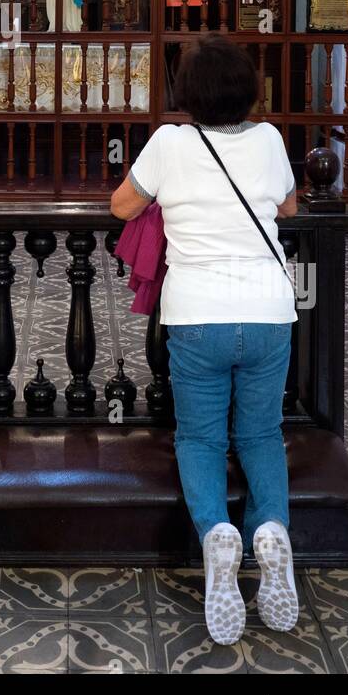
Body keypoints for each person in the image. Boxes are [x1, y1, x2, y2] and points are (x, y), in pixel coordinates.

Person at [110, 34, 299, 646]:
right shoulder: (270, 139)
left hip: (196, 314)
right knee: (262, 433)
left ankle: (218, 533)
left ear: (186, 94)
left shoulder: (170, 142)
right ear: (249, 91)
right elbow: (290, 206)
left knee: (199, 436)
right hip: (269, 310)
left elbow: (121, 206)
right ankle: (271, 529)